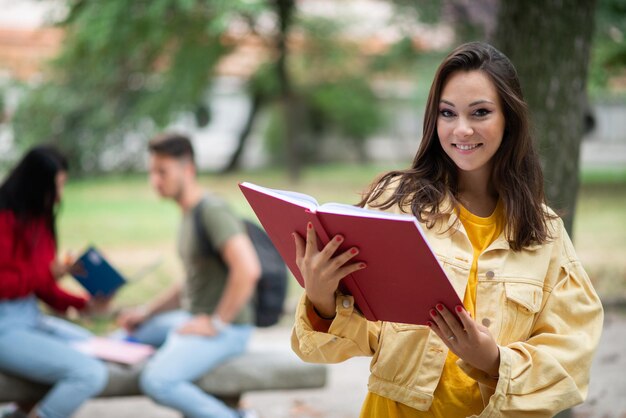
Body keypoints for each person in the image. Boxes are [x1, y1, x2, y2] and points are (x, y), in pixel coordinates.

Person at [291, 42, 604, 417]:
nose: (462, 129)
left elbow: (572, 359)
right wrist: (323, 300)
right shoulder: (395, 204)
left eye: (481, 112)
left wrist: (492, 360)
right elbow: (345, 344)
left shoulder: (544, 232)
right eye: (447, 113)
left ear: (510, 119)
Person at [115, 133, 261, 418]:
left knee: (157, 380)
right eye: (152, 172)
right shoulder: (188, 213)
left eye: (163, 172)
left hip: (228, 329)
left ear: (188, 169)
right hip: (192, 318)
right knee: (121, 338)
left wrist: (217, 322)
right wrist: (146, 312)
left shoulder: (212, 210)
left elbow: (248, 269)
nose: (155, 180)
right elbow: (192, 282)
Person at [0, 145, 108, 418]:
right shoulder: (4, 219)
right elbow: (6, 285)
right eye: (57, 186)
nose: (60, 194)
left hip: (29, 318)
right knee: (88, 373)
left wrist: (85, 304)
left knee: (97, 350)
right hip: (5, 328)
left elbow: (41, 287)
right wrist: (49, 272)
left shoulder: (40, 218)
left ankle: (18, 413)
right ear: (37, 186)